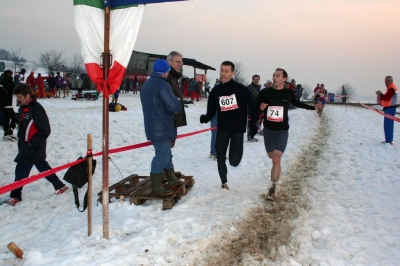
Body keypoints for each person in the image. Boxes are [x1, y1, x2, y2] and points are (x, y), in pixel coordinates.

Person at [256, 68, 322, 201]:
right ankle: (273, 181)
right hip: (268, 130)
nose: (275, 78)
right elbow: (255, 106)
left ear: (284, 79)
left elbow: (298, 103)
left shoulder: (288, 93)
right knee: (271, 156)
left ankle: (273, 187)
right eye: (274, 75)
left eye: (278, 76)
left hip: (282, 130)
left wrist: (313, 107)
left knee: (276, 158)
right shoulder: (265, 92)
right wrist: (260, 108)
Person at [1, 84, 68, 206]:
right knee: (43, 167)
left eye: (20, 96)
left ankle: (15, 196)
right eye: (17, 97)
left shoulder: (36, 108)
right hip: (25, 145)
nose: (18, 99)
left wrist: (32, 143)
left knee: (21, 170)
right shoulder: (23, 107)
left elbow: (45, 130)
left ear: (28, 95)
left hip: (32, 147)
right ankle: (60, 186)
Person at [200, 61, 258, 189]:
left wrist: (253, 122)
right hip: (222, 129)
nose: (223, 74)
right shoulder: (216, 90)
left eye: (226, 71)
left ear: (233, 73)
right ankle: (224, 182)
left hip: (237, 130)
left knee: (234, 162)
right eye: (221, 70)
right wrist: (206, 117)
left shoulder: (241, 89)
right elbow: (211, 110)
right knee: (220, 157)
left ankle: (232, 162)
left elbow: (252, 105)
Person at [140, 59, 183, 196]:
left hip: (152, 126)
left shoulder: (146, 85)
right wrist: (178, 102)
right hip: (163, 127)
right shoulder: (163, 85)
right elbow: (174, 107)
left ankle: (171, 179)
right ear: (165, 72)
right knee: (161, 157)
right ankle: (157, 186)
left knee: (166, 154)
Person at [376, 76, 398, 145]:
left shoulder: (391, 88)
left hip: (390, 109)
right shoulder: (390, 88)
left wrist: (380, 94)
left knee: (388, 125)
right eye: (385, 80)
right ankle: (389, 140)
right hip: (389, 108)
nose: (386, 82)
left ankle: (388, 141)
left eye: (388, 80)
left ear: (391, 81)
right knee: (389, 125)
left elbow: (387, 98)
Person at [0, 70, 18, 141]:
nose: (11, 76)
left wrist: (11, 81)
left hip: (9, 103)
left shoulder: (8, 82)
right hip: (5, 103)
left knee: (13, 119)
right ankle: (6, 133)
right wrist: (11, 81)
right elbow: (11, 89)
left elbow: (14, 89)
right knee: (7, 119)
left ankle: (10, 132)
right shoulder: (2, 83)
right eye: (10, 75)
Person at [247, 74, 261, 142]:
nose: (256, 80)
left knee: (256, 123)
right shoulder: (249, 87)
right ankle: (250, 136)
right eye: (255, 79)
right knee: (251, 123)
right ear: (252, 79)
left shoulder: (258, 87)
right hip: (251, 108)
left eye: (258, 79)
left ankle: (253, 135)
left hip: (257, 108)